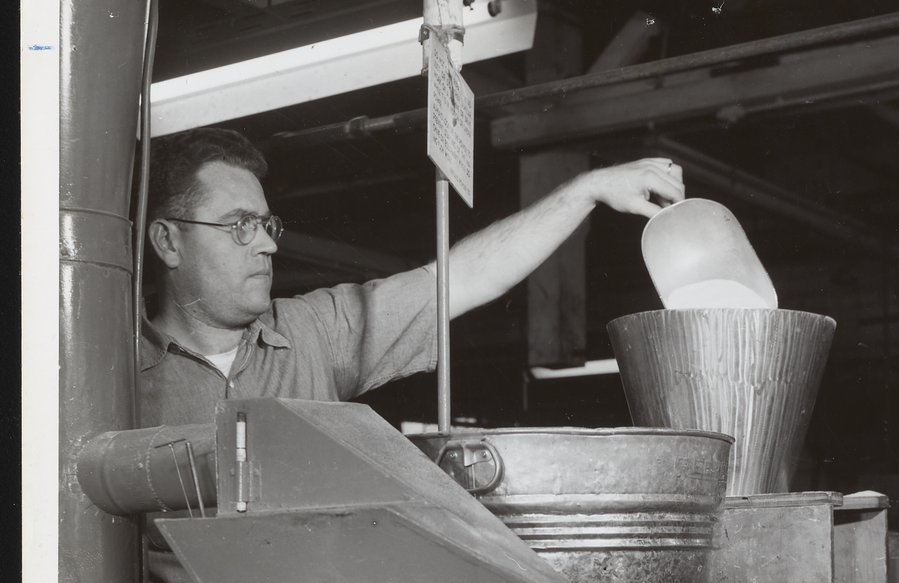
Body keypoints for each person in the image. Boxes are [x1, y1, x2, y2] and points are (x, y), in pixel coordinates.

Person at [140, 126, 685, 427]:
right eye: (240, 226)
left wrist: (586, 191)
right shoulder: (112, 372)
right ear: (168, 241)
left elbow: (463, 277)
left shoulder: (316, 334)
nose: (266, 243)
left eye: (266, 224)